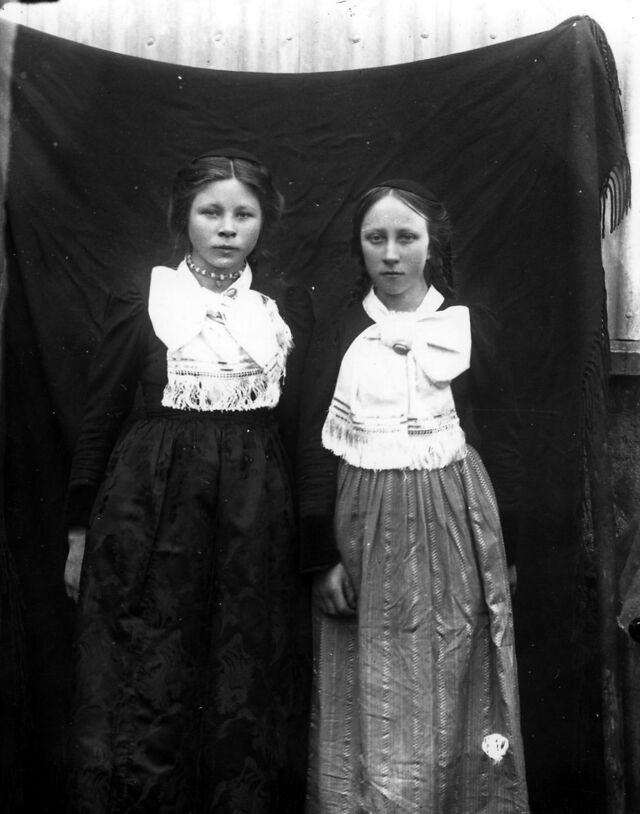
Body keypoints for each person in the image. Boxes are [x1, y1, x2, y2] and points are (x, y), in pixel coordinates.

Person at [63, 150, 311, 814]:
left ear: (264, 222)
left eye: (243, 214)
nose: (227, 228)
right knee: (152, 668)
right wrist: (79, 529)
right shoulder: (147, 300)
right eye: (211, 212)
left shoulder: (279, 310)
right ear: (184, 218)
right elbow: (101, 414)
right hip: (151, 506)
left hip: (254, 509)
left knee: (244, 671)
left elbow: (296, 427)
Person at [297, 179, 530, 813]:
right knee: (367, 681)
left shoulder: (465, 326)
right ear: (360, 247)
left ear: (433, 244)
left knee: (450, 672)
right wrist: (321, 557)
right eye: (376, 238)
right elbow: (313, 444)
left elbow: (505, 440)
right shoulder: (339, 329)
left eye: (407, 237)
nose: (392, 253)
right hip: (360, 530)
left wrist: (507, 550)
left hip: (454, 524)